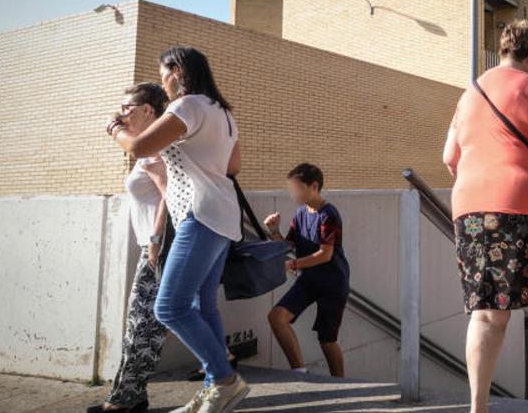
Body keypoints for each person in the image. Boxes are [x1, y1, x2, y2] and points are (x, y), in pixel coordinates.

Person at [108, 46, 249, 413]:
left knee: (169, 307)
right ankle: (213, 388)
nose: (162, 83)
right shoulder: (224, 112)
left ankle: (224, 380)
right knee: (205, 305)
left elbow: (139, 147)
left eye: (163, 74)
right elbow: (232, 165)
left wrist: (116, 129)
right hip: (224, 217)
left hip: (198, 215)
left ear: (178, 72)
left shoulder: (186, 106)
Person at [442, 20, 528, 413]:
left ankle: (478, 407)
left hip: (471, 212)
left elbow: (449, 157)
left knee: (486, 315)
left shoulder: (469, 95)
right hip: (526, 207)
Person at [90, 83, 171, 413]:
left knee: (144, 325)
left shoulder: (156, 148)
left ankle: (125, 401)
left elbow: (169, 193)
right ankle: (130, 397)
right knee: (142, 323)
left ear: (148, 111)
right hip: (152, 244)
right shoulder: (150, 145)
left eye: (129, 107)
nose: (122, 113)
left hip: (159, 245)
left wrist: (154, 239)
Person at [263, 163, 351, 378]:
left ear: (313, 186)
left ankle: (339, 385)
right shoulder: (300, 213)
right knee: (277, 317)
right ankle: (300, 372)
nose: (293, 194)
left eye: (296, 188)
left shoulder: (329, 214)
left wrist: (293, 264)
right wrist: (273, 231)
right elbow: (288, 245)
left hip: (332, 283)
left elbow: (325, 254)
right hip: (309, 280)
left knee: (327, 340)